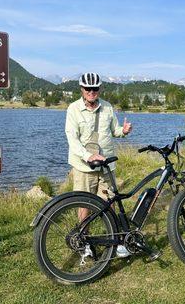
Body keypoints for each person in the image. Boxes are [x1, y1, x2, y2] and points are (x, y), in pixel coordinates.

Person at [65, 72, 133, 257]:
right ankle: (83, 241)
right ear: (81, 89)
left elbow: (114, 130)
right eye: (88, 88)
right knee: (84, 203)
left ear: (100, 89)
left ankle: (116, 240)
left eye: (95, 88)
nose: (91, 91)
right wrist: (88, 156)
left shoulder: (108, 107)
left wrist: (123, 131)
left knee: (109, 201)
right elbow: (72, 139)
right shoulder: (73, 109)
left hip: (106, 165)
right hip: (84, 167)